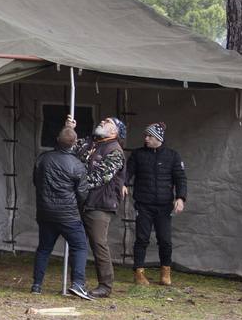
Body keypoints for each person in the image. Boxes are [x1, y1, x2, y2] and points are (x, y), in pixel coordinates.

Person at [66, 115, 126, 299]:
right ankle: (77, 282)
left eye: (107, 122)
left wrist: (73, 184)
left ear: (114, 131)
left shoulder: (115, 151)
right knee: (77, 242)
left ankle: (105, 286)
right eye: (103, 120)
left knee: (98, 243)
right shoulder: (88, 142)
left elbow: (100, 178)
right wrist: (69, 130)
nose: (102, 122)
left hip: (100, 203)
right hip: (81, 200)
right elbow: (67, 147)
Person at [125, 122, 187, 286]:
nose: (146, 138)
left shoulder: (172, 155)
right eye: (146, 136)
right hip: (143, 204)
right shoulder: (138, 154)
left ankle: (165, 272)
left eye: (149, 136)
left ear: (158, 138)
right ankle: (139, 273)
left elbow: (180, 178)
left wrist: (180, 198)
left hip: (164, 205)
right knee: (142, 239)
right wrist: (123, 184)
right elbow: (128, 172)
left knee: (165, 240)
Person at [31, 126, 89, 298]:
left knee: (44, 248)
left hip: (45, 212)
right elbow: (82, 193)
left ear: (57, 139)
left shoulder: (43, 159)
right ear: (74, 143)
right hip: (68, 214)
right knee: (79, 246)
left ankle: (36, 285)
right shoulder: (77, 165)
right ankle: (78, 283)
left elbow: (36, 181)